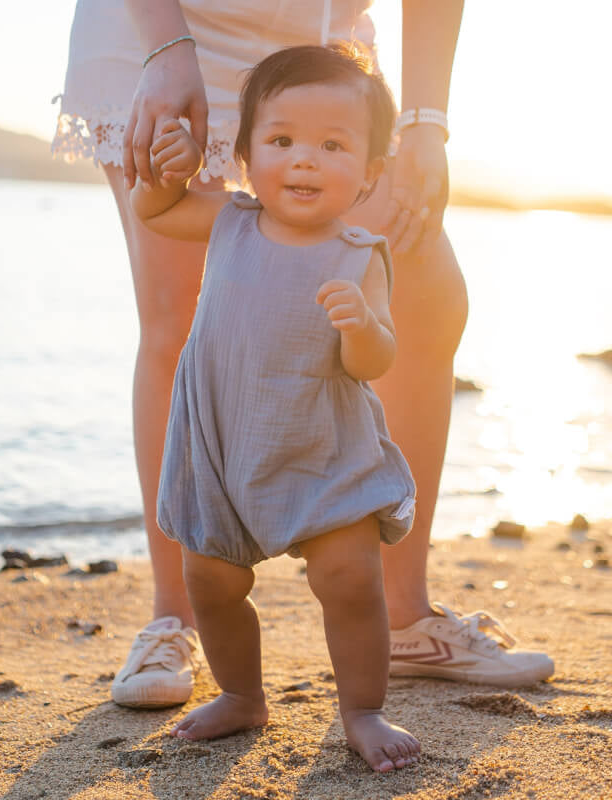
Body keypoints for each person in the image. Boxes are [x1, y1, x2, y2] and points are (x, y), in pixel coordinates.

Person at [52, 0, 553, 708]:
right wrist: (166, 50)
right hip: (169, 27)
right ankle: (176, 619)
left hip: (325, 51)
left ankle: (404, 615)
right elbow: (160, 208)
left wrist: (426, 123)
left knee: (425, 296)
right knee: (180, 315)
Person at [130, 43, 420, 772]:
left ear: (370, 172)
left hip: (325, 449)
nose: (304, 160)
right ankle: (241, 695)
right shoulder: (227, 220)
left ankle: (362, 708)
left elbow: (374, 362)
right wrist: (166, 173)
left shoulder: (359, 252)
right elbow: (157, 211)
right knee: (213, 582)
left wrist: (362, 325)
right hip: (224, 445)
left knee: (350, 580)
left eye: (333, 145)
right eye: (282, 140)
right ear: (245, 153)